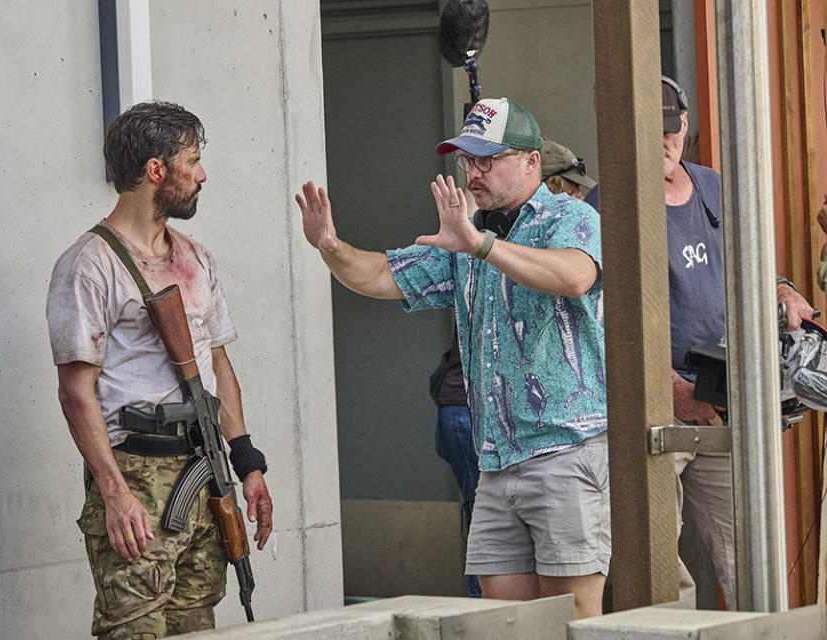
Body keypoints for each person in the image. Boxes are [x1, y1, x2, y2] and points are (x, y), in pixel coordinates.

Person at [297, 97, 609, 618]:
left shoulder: (569, 215)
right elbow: (377, 275)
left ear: (531, 161)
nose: (473, 171)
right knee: (504, 620)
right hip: (495, 461)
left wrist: (479, 244)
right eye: (466, 159)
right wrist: (330, 245)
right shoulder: (468, 235)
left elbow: (575, 275)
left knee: (570, 615)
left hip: (564, 449)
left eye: (488, 158)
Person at [585, 76, 814, 609]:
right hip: (652, 411)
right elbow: (600, 322)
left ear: (684, 126)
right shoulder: (602, 206)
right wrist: (675, 392)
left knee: (750, 556)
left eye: (670, 130)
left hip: (725, 404)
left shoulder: (714, 186)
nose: (663, 143)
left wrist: (785, 294)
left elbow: (755, 265)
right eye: (650, 131)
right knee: (655, 564)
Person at [46, 101, 273, 638]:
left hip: (203, 471)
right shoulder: (89, 265)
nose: (202, 175)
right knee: (133, 627)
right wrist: (114, 493)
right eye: (192, 161)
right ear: (156, 171)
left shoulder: (196, 257)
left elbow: (217, 364)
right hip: (136, 477)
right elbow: (76, 392)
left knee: (197, 625)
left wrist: (248, 465)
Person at [429, 332, 481, 597]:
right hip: (467, 406)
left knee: (481, 517)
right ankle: (480, 604)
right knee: (484, 519)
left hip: (460, 407)